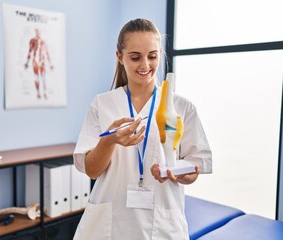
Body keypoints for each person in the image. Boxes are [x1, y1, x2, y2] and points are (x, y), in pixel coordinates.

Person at [73, 18, 212, 240]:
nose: (145, 65)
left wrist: (174, 172)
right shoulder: (102, 104)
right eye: (135, 57)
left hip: (162, 224)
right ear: (120, 57)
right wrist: (109, 141)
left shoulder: (182, 107)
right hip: (109, 225)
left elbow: (195, 166)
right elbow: (91, 170)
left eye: (152, 56)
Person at [24, 28, 54, 99]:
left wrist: (50, 64)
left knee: (43, 78)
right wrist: (27, 63)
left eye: (39, 32)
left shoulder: (43, 41)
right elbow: (30, 52)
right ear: (35, 32)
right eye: (37, 31)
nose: (38, 33)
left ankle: (44, 93)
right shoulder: (32, 41)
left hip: (42, 61)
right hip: (35, 61)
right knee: (36, 78)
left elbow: (47, 53)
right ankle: (38, 93)